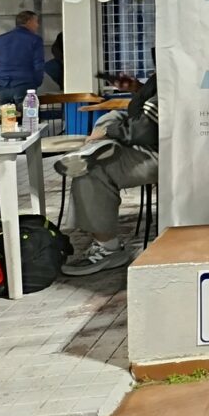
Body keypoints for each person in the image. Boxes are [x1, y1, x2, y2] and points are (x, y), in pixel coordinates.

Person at [58, 72, 158, 276]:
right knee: (111, 117)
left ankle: (108, 249)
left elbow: (145, 129)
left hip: (165, 150)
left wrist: (109, 132)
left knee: (92, 169)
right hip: (150, 135)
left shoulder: (178, 64)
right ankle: (97, 149)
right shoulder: (170, 65)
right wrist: (137, 88)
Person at [0, 11, 44, 106]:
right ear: (29, 22)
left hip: (2, 86)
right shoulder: (35, 39)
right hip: (25, 84)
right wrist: (36, 82)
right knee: (28, 114)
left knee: (6, 114)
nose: (37, 25)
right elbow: (38, 64)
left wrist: (0, 77)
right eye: (36, 22)